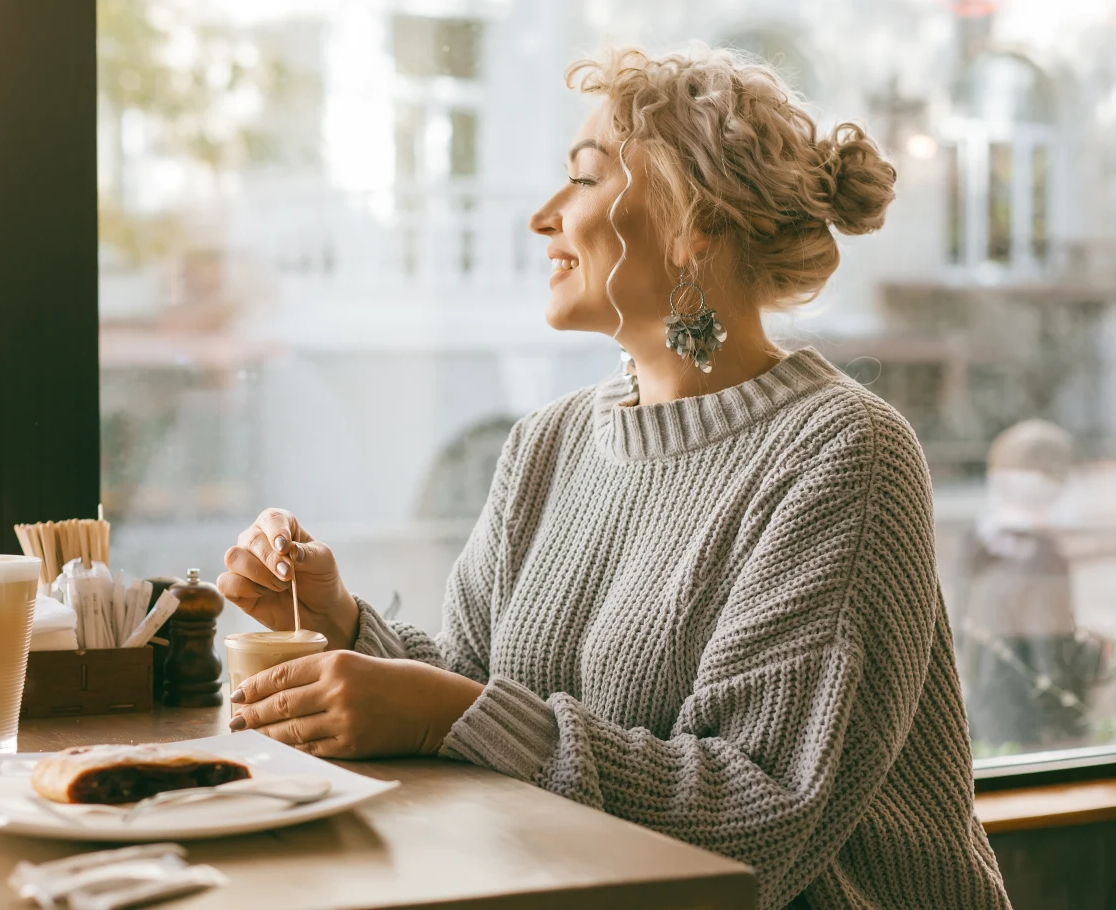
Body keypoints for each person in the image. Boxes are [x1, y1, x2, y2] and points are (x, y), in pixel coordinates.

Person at [217, 45, 1010, 910]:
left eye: (585, 180)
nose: (543, 217)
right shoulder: (547, 444)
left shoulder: (842, 452)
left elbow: (759, 817)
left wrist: (446, 714)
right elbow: (477, 686)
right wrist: (337, 621)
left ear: (694, 223)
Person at [956, 420, 1109, 752]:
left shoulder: (980, 538)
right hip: (1038, 731)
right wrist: (1098, 652)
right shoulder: (1041, 553)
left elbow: (962, 633)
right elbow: (1049, 655)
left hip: (988, 714)